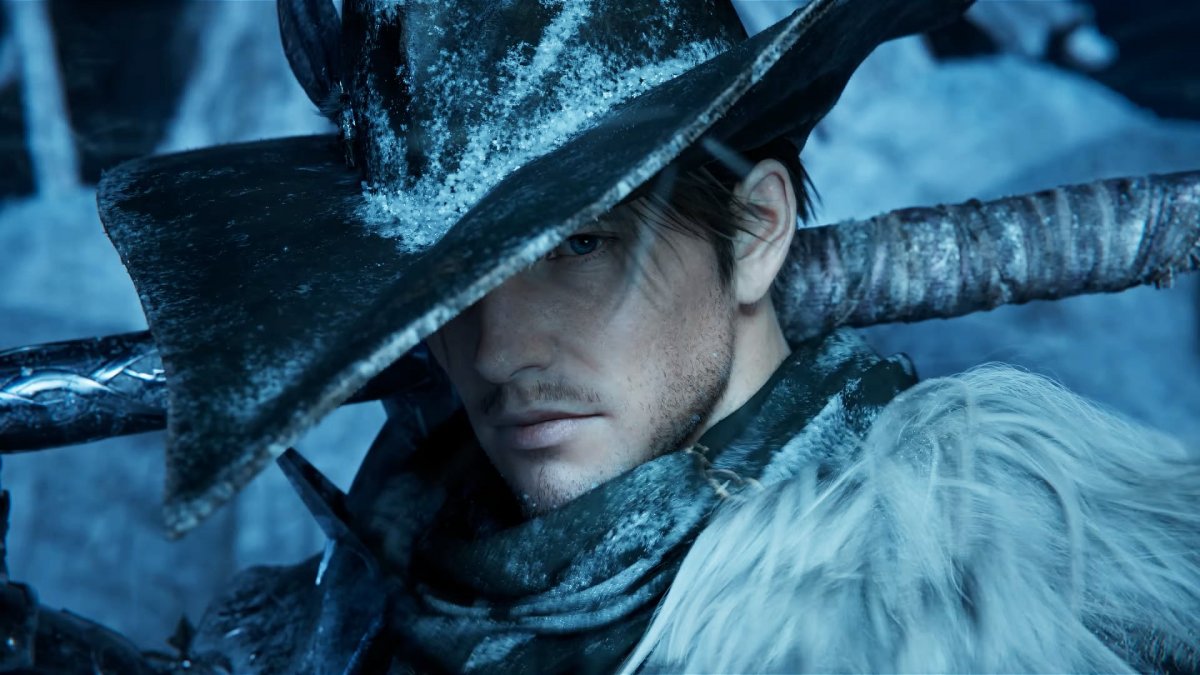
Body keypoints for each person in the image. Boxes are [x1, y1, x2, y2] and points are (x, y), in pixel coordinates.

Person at [88, 0, 1199, 672]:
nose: (498, 352)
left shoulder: (985, 595)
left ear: (754, 235)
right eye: (448, 285)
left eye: (578, 245)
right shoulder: (367, 591)